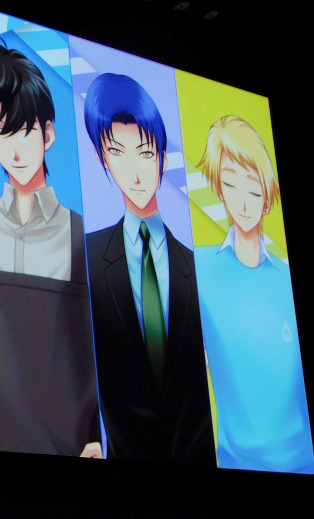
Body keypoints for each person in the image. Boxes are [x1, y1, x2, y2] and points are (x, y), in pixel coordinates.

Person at [0, 44, 100, 457]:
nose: (16, 150)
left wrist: (97, 436)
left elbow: (96, 354)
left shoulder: (84, 237)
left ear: (47, 133)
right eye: (2, 131)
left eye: (25, 130)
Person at [83, 73, 216, 465]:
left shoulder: (197, 267)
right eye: (118, 152)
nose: (136, 173)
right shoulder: (87, 257)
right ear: (102, 158)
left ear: (162, 157)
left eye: (145, 152)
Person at [193, 116, 314, 473]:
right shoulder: (199, 269)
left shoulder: (285, 280)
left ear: (267, 193)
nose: (243, 202)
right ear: (218, 189)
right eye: (230, 184)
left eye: (253, 187)